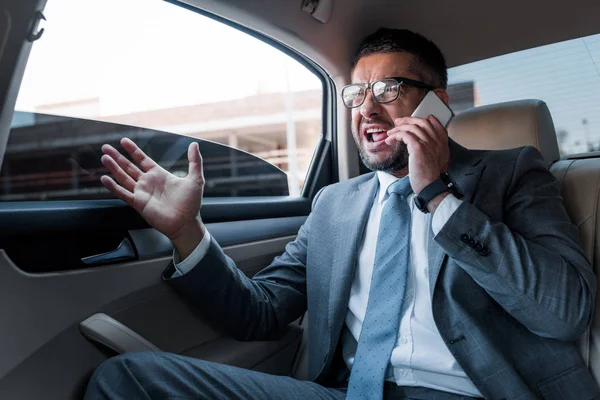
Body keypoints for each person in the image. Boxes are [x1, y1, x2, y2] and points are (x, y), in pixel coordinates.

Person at [84, 28, 599, 400]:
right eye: (356, 94)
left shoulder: (512, 173)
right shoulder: (335, 203)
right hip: (345, 393)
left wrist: (441, 196)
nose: (367, 110)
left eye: (389, 90)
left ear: (438, 104)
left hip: (473, 393)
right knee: (128, 378)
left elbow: (564, 312)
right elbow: (259, 310)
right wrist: (186, 230)